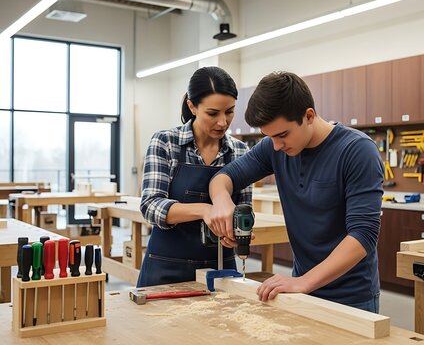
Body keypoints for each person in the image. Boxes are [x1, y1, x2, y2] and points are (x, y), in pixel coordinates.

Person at [208, 71, 384, 313]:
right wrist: (222, 203)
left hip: (351, 297)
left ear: (309, 115)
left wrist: (303, 281)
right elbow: (223, 178)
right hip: (301, 292)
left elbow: (363, 235)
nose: (277, 146)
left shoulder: (357, 151)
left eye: (282, 135)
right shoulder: (274, 147)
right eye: (270, 137)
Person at [137, 66, 252, 287]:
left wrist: (235, 231)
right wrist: (205, 210)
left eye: (229, 111)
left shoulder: (240, 152)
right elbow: (150, 206)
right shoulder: (165, 142)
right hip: (166, 266)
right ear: (192, 106)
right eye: (212, 113)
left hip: (221, 267)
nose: (223, 122)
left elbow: (243, 208)